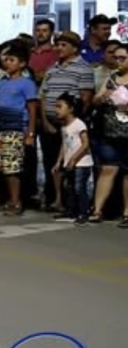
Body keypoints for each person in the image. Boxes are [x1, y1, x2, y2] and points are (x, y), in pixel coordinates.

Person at [37, 30, 94, 212]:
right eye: (58, 45)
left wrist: (71, 122)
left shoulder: (83, 68)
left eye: (63, 45)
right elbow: (44, 96)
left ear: (74, 48)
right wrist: (45, 121)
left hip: (69, 126)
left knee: (68, 163)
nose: (59, 48)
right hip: (50, 123)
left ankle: (70, 202)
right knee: (50, 162)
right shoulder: (53, 69)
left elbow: (85, 97)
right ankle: (54, 197)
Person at [0, 42, 39, 216]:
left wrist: (30, 133)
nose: (7, 63)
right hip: (1, 128)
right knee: (3, 166)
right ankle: (8, 197)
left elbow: (32, 108)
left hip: (17, 129)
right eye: (6, 59)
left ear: (22, 63)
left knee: (13, 167)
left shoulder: (26, 84)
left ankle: (16, 201)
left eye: (12, 60)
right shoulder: (2, 82)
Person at [90, 42, 128, 223]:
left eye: (123, 58)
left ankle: (127, 212)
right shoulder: (112, 78)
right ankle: (97, 210)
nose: (118, 61)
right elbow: (96, 99)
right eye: (116, 58)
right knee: (107, 168)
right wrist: (103, 97)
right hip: (110, 131)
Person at [52, 94, 92, 225]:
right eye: (55, 106)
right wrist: (59, 162)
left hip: (82, 163)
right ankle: (71, 211)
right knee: (69, 187)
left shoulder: (78, 124)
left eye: (60, 106)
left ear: (71, 109)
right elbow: (64, 145)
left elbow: (85, 144)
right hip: (70, 163)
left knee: (79, 188)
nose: (56, 110)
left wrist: (74, 158)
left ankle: (83, 213)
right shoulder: (64, 127)